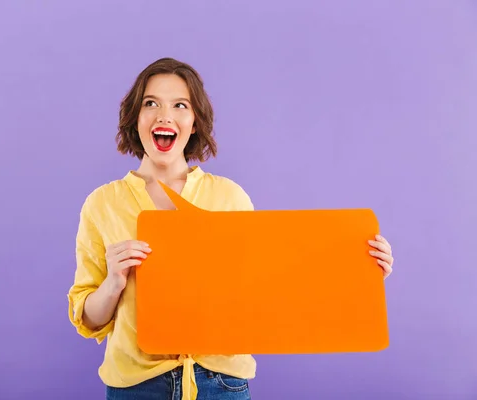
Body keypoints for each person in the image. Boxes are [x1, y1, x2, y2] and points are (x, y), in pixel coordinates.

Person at [67, 57, 395, 400]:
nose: (164, 115)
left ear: (194, 123)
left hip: (221, 384)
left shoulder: (229, 196)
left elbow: (270, 286)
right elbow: (88, 318)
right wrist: (114, 282)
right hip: (136, 386)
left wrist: (361, 273)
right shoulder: (102, 203)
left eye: (180, 105)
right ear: (136, 117)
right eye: (151, 103)